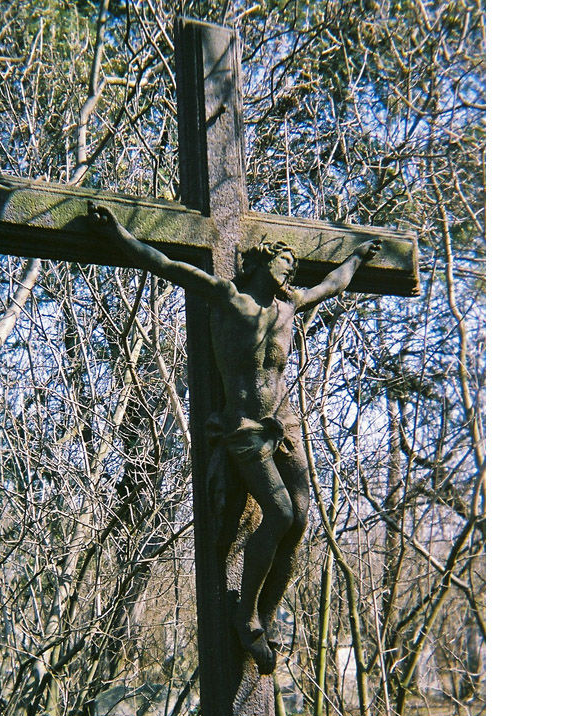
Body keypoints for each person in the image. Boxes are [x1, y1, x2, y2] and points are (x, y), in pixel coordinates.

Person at [89, 202, 380, 674]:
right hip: (244, 425)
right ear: (265, 263)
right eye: (285, 264)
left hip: (281, 422)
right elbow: (165, 264)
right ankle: (245, 617)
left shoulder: (289, 308)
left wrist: (357, 258)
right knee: (279, 512)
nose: (292, 272)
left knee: (301, 517)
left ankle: (264, 615)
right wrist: (117, 233)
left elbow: (332, 285)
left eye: (293, 268)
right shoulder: (228, 297)